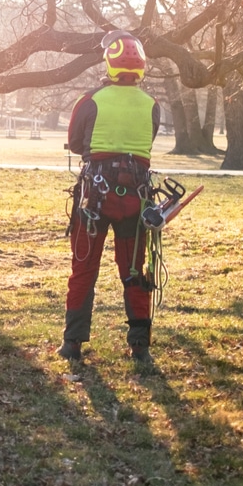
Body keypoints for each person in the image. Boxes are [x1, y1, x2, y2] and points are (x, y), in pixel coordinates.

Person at [58, 32, 160, 366]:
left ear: (109, 63)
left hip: (94, 199)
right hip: (137, 201)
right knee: (133, 271)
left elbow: (75, 143)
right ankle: (140, 345)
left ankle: (72, 343)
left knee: (84, 267)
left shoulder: (89, 101)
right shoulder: (151, 106)